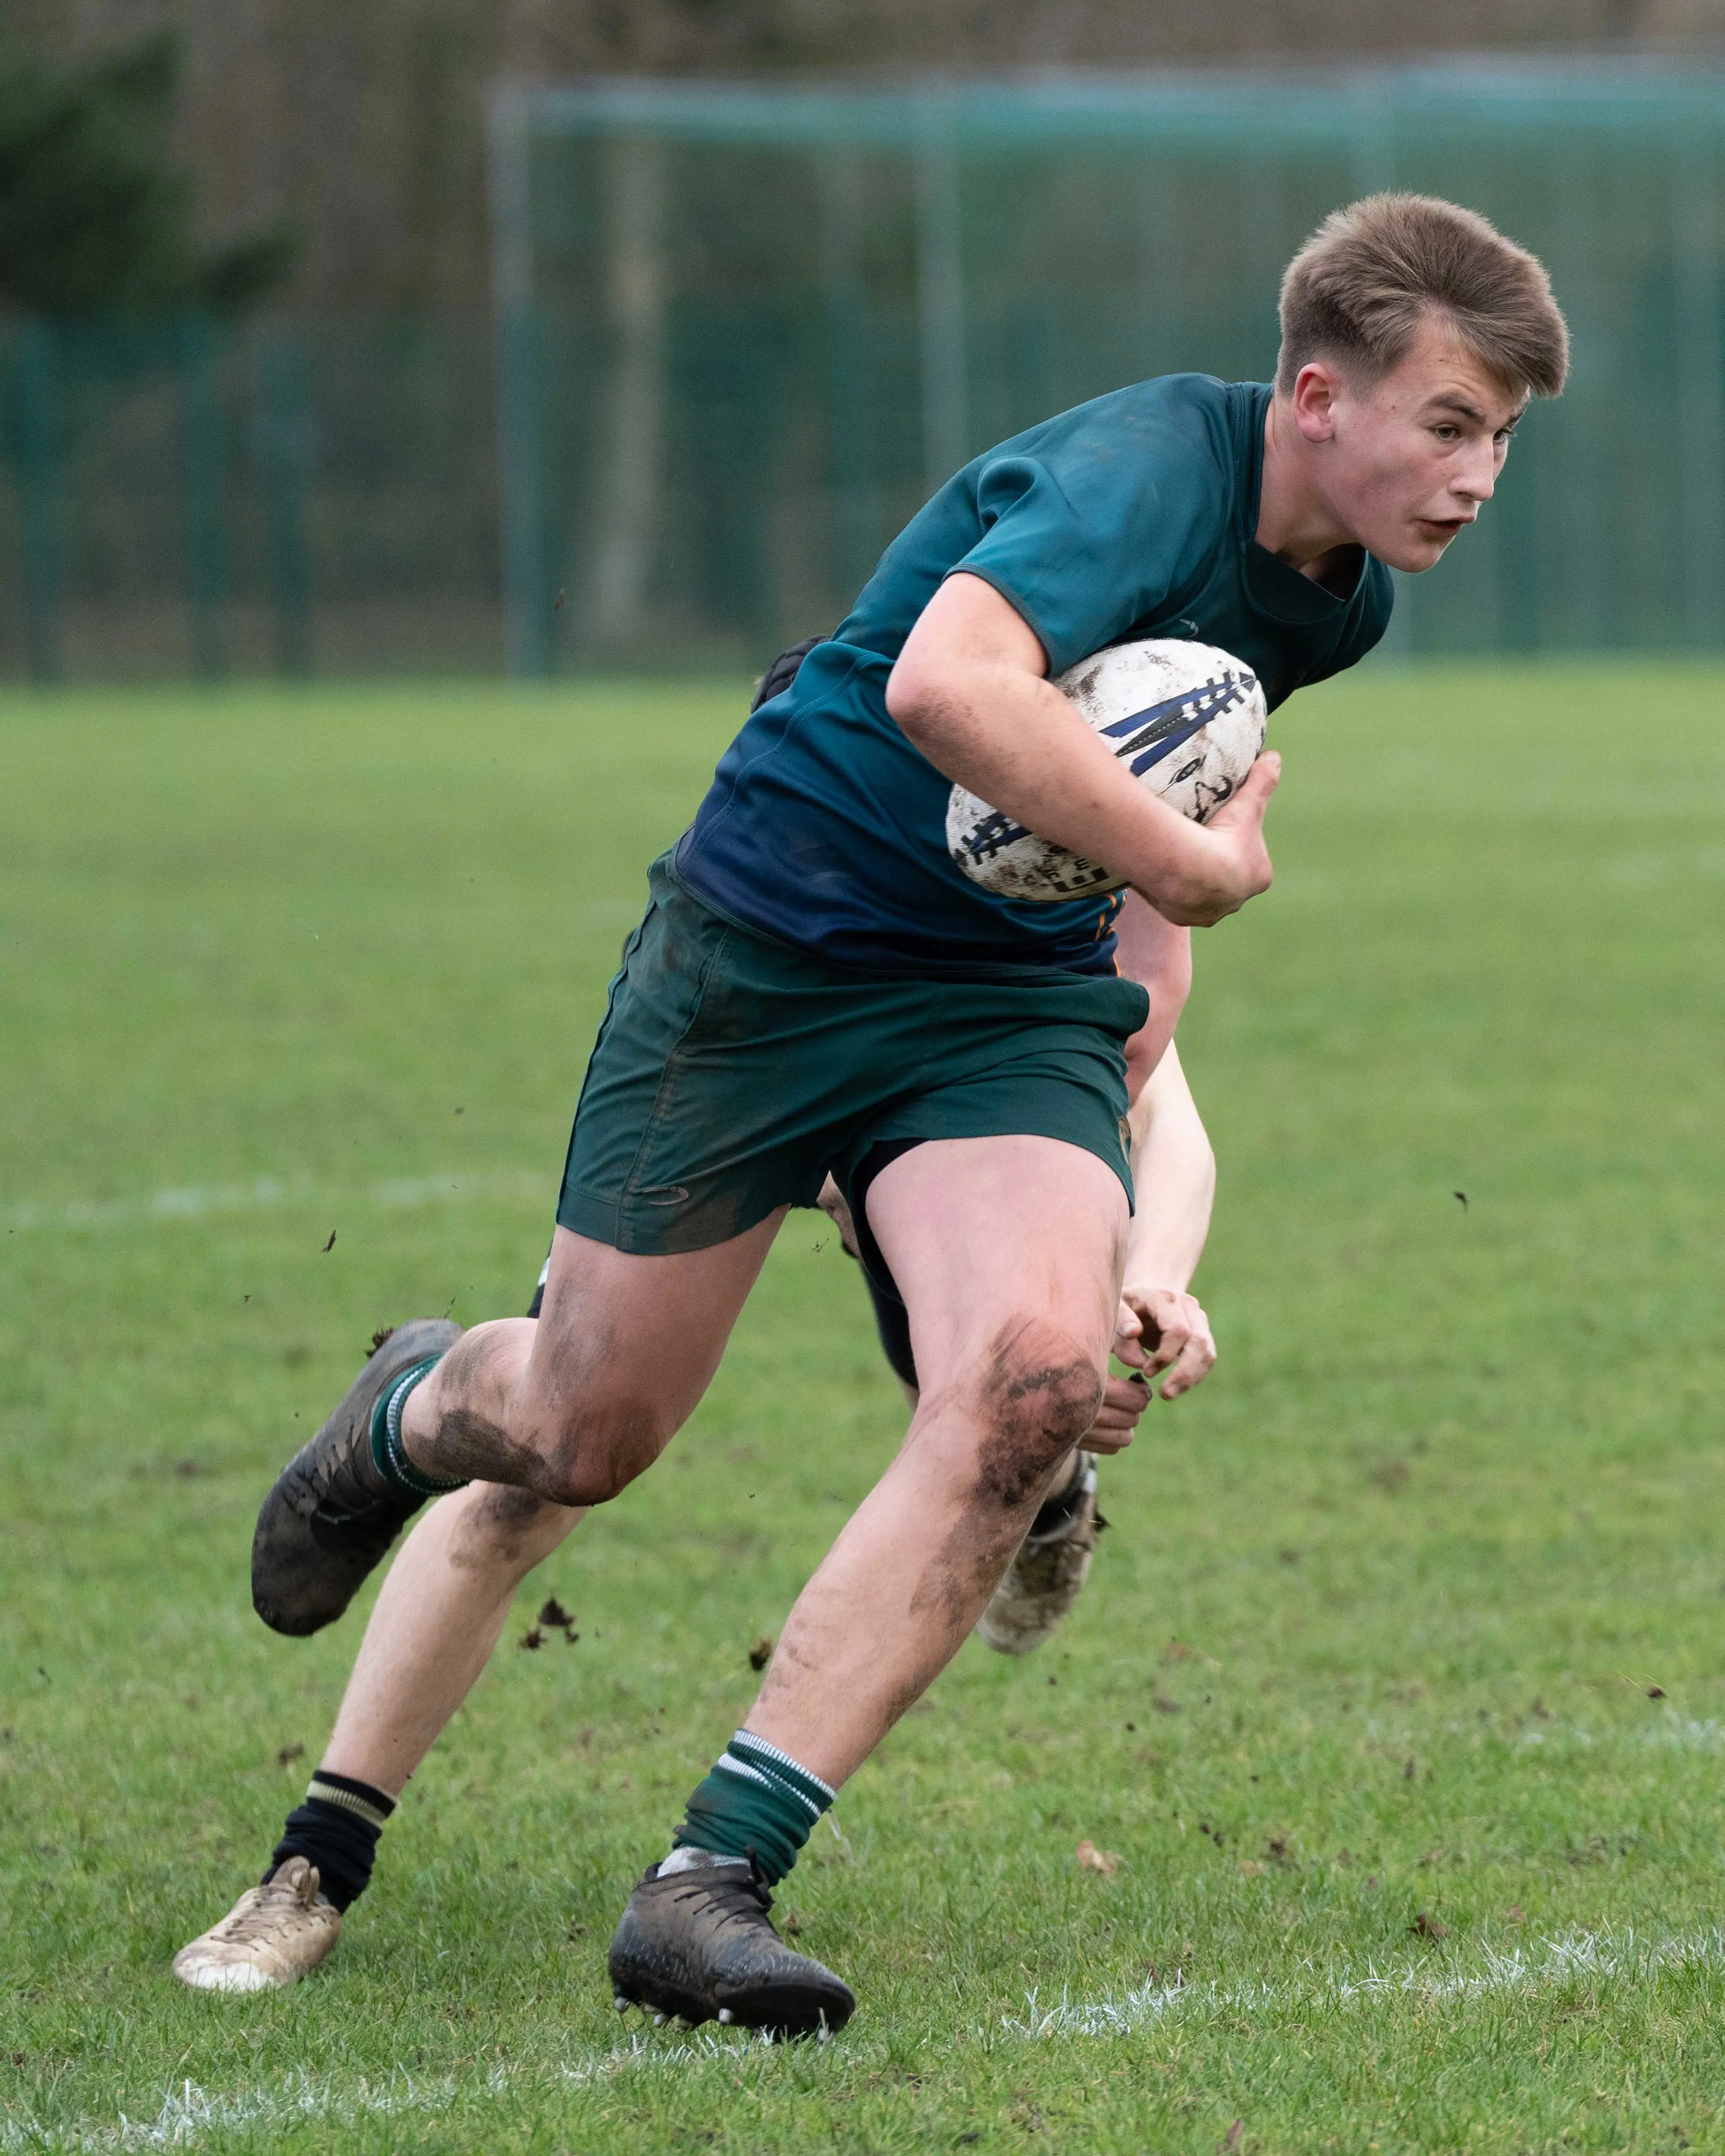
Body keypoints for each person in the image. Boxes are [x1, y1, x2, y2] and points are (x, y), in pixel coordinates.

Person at [211, 195, 1567, 2034]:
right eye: (1453, 422)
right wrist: (1182, 861)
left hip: (991, 1003)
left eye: (1504, 436)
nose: (1480, 471)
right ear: (1319, 396)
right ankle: (416, 1404)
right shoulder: (1139, 475)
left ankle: (711, 1883)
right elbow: (948, 685)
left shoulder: (1343, 601)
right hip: (772, 943)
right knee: (583, 1430)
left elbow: (1173, 778)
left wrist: (1145, 978)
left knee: (1028, 1387)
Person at [171, 1005, 1216, 1995]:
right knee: (539, 1473)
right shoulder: (830, 844)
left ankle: (1045, 1482)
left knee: (1008, 1407)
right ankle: (311, 1864)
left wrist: (1143, 1288)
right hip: (756, 1036)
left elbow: (1164, 1106)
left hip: (951, 1085)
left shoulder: (1078, 860)